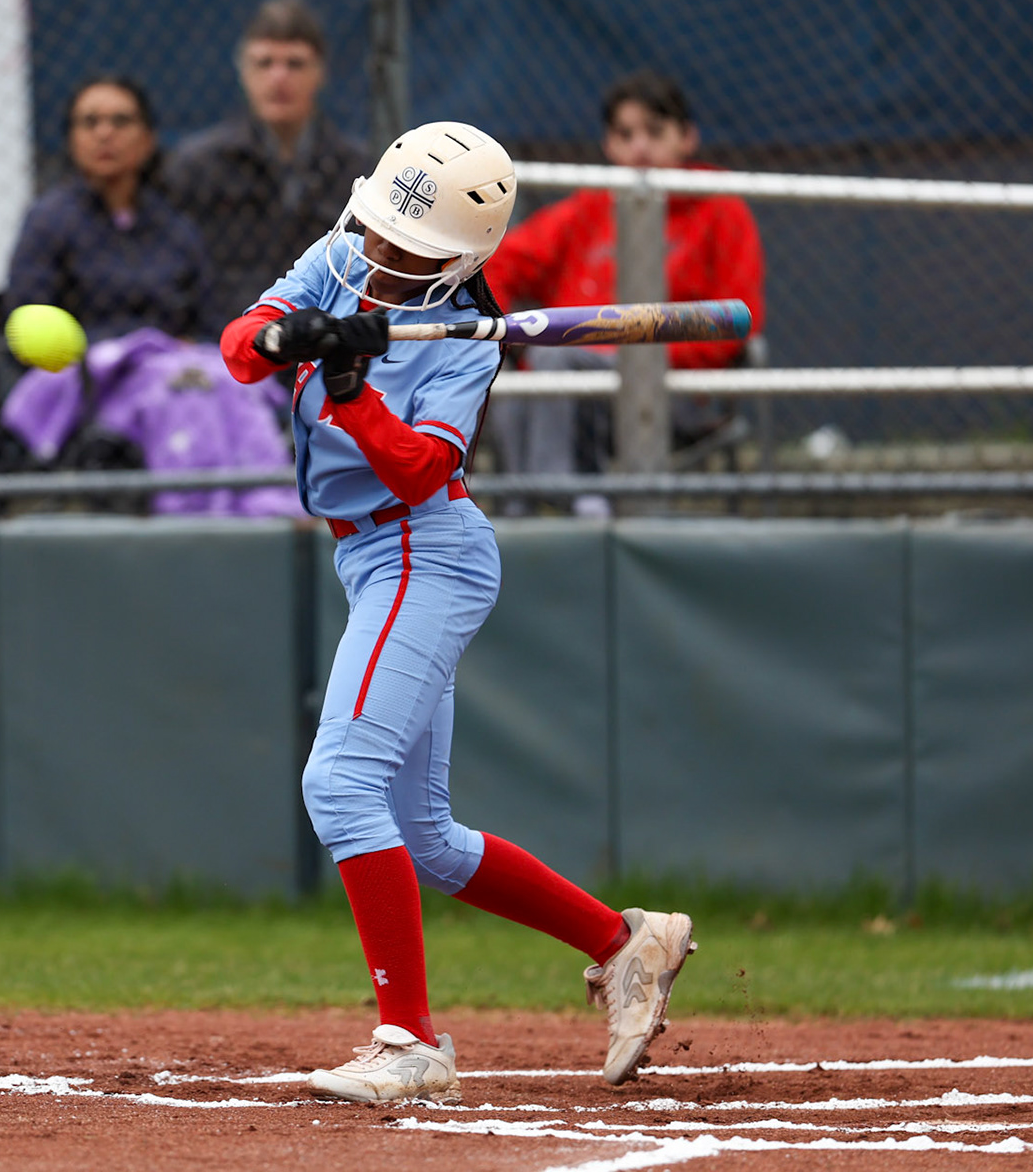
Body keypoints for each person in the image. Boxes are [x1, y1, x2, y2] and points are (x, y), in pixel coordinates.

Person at [220, 121, 696, 1102]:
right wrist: (291, 334)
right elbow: (239, 351)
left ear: (461, 260)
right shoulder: (339, 256)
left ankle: (410, 1039)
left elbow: (422, 465)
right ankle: (627, 940)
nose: (390, 258)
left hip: (424, 553)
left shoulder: (469, 343)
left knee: (342, 781)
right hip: (368, 559)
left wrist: (352, 392)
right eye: (385, 234)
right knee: (424, 834)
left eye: (416, 250)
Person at [482, 71, 765, 514]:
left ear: (686, 139)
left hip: (674, 391)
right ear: (608, 146)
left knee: (554, 356)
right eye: (625, 134)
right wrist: (499, 335)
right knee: (518, 384)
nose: (640, 148)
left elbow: (734, 320)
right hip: (572, 386)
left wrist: (633, 354)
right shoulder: (590, 206)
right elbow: (499, 263)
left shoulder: (721, 209)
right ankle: (531, 520)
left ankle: (562, 498)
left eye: (655, 132)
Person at [166, 0, 370, 329]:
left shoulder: (356, 170)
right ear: (243, 71)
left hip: (325, 339)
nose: (279, 78)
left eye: (295, 64)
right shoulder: (197, 167)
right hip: (226, 339)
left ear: (320, 73)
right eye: (264, 63)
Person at [3, 75, 215, 343]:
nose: (105, 134)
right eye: (90, 122)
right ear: (71, 139)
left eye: (121, 121)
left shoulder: (175, 223)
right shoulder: (47, 221)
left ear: (148, 139)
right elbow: (25, 320)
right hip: (82, 377)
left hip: (170, 377)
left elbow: (210, 322)